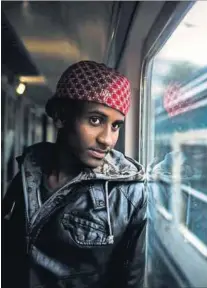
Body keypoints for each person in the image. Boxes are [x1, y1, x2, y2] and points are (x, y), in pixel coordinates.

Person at [3, 61, 147, 288]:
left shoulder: (128, 193)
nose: (107, 140)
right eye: (96, 120)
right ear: (61, 116)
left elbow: (131, 281)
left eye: (116, 126)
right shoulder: (28, 170)